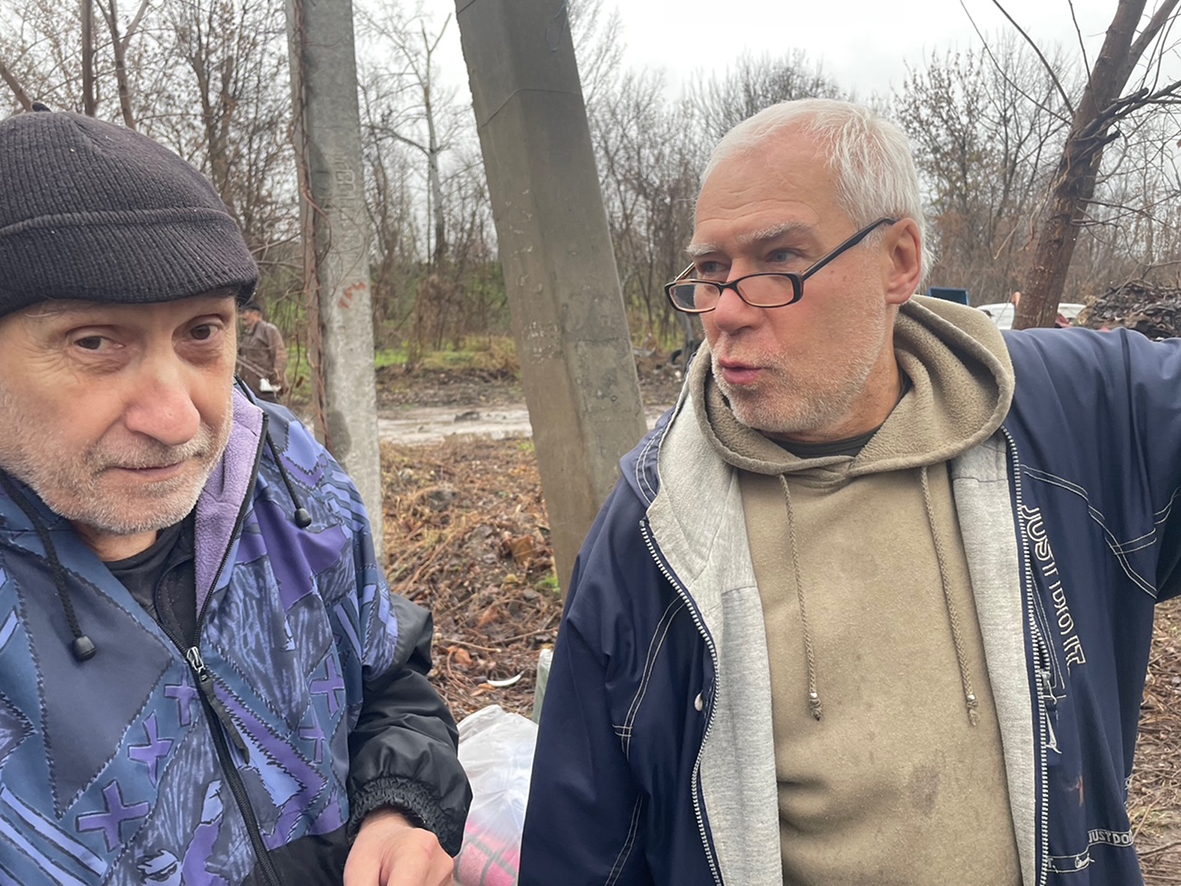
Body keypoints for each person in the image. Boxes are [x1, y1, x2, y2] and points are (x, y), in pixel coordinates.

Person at [519, 98, 1179, 886]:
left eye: (778, 260)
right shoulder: (653, 528)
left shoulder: (1077, 414)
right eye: (710, 272)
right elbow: (583, 847)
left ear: (897, 261)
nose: (725, 312)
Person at [0, 107, 470, 885]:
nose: (177, 419)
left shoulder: (288, 475)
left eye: (201, 333)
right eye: (94, 342)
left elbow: (387, 681)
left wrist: (403, 802)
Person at [236, 300, 288, 402]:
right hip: (250, 389)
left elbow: (280, 354)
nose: (241, 316)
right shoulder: (247, 334)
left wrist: (277, 376)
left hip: (266, 387)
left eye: (245, 313)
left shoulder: (269, 330)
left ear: (255, 314)